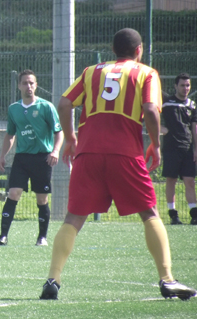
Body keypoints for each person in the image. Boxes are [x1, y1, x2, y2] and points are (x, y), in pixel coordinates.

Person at [39, 28, 197, 301]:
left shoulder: (91, 72)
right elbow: (149, 109)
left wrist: (71, 138)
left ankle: (53, 278)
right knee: (149, 213)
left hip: (88, 153)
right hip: (125, 153)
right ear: (139, 50)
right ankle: (167, 279)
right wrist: (156, 146)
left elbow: (65, 104)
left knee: (74, 218)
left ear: (113, 50)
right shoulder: (146, 73)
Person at [0, 69, 63, 247]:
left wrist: (55, 151)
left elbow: (59, 133)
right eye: (25, 83)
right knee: (13, 193)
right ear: (19, 86)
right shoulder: (14, 109)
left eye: (32, 83)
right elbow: (10, 135)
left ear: (36, 85)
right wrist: (3, 155)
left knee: (42, 199)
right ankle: (3, 236)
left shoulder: (46, 107)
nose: (28, 86)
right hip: (22, 158)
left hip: (42, 158)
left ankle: (42, 237)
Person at [160, 73, 197, 225]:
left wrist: (196, 148)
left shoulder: (192, 105)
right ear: (175, 86)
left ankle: (194, 214)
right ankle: (173, 214)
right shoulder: (166, 103)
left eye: (187, 85)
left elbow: (194, 127)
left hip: (187, 149)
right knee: (171, 180)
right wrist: (163, 130)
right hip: (170, 148)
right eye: (182, 85)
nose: (185, 88)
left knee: (190, 181)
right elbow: (149, 117)